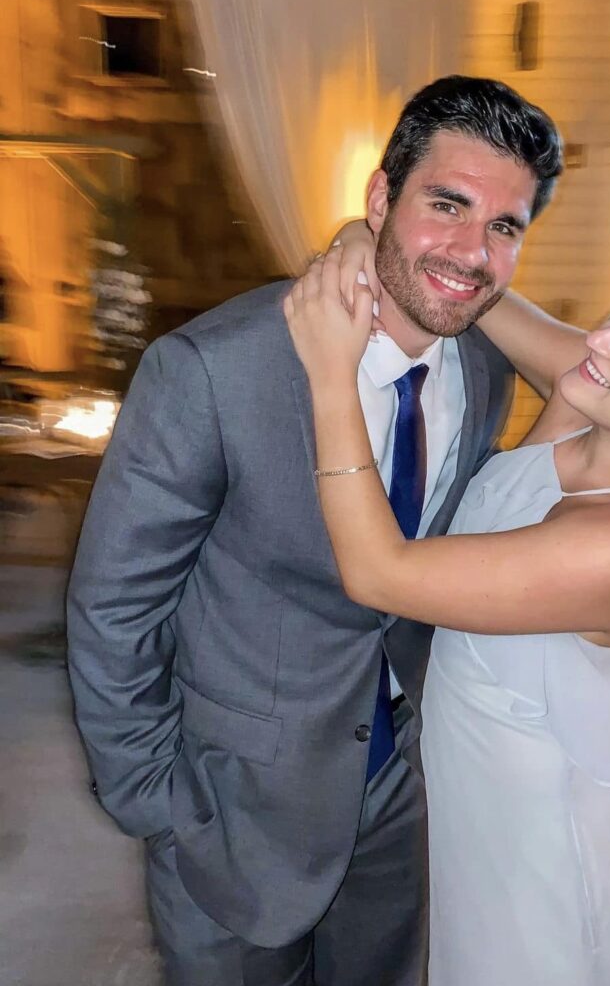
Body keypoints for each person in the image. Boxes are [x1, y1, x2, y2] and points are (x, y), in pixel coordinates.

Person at [65, 76, 562, 986]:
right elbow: (113, 607)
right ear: (381, 199)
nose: (471, 249)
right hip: (233, 817)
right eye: (446, 204)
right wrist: (156, 803)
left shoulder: (488, 370)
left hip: (404, 803)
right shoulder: (213, 371)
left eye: (505, 226)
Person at [284, 244, 610, 986]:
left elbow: (379, 572)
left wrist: (329, 375)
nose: (600, 340)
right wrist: (380, 239)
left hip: (534, 855)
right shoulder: (598, 396)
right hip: (477, 813)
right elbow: (480, 292)